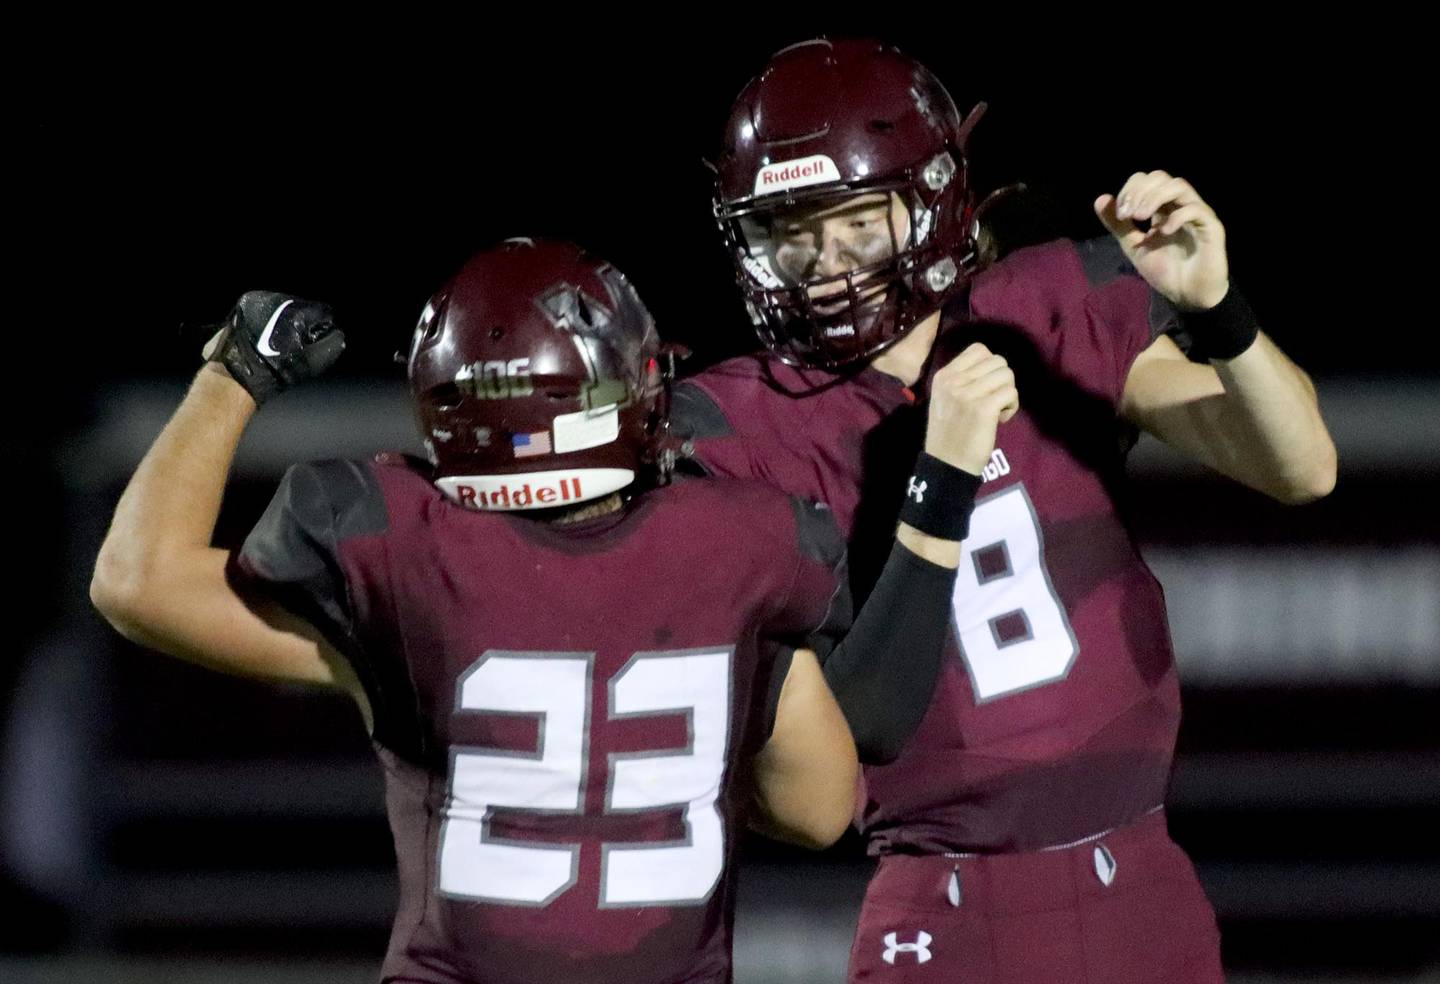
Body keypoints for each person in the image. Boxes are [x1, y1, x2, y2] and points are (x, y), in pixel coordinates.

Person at [91, 238, 976, 984]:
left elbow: (134, 581)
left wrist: (234, 371)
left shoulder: (400, 556)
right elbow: (820, 809)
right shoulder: (745, 548)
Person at [675, 38, 1337, 982]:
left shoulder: (1040, 310)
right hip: (945, 895)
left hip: (1144, 873)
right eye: (789, 232)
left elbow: (1303, 466)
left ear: (931, 200)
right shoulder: (738, 428)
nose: (822, 263)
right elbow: (839, 757)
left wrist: (1221, 308)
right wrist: (939, 477)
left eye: (855, 221)